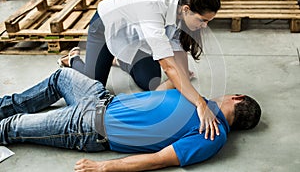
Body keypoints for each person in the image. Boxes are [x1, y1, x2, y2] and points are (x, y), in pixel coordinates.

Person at [0, 68, 262, 171]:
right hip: (101, 98)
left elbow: (159, 159)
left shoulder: (213, 135)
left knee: (13, 127)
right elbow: (155, 98)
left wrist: (104, 167)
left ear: (237, 98)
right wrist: (177, 77)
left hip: (87, 128)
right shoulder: (199, 101)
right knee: (61, 77)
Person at [57, 0, 222, 140]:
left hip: (137, 38)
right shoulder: (153, 7)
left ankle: (118, 60)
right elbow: (170, 68)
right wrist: (200, 103)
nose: (205, 26)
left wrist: (183, 77)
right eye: (203, 20)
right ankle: (73, 59)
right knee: (92, 86)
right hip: (106, 27)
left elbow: (178, 59)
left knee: (151, 81)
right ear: (186, 9)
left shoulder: (186, 2)